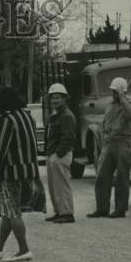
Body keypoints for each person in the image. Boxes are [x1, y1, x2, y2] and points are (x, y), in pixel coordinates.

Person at [0, 86, 43, 262]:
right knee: (10, 211)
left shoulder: (5, 120)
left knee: (11, 211)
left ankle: (24, 249)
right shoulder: (27, 116)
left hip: (10, 172)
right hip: (28, 170)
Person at [88, 76, 131, 218]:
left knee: (122, 177)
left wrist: (122, 100)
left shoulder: (130, 103)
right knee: (102, 175)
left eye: (116, 91)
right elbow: (106, 122)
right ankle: (101, 207)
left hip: (123, 141)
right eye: (113, 92)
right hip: (109, 142)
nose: (113, 94)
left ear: (122, 92)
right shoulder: (110, 105)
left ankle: (120, 209)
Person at [44, 83, 76, 223]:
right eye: (52, 98)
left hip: (60, 155)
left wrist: (58, 154)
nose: (54, 100)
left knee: (62, 184)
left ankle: (67, 213)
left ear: (64, 99)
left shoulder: (67, 116)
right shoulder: (56, 115)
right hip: (54, 154)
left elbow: (68, 137)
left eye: (58, 98)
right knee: (54, 186)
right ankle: (59, 211)